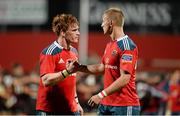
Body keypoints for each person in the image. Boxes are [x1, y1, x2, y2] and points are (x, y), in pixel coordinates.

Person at [72, 7, 141, 115]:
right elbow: (101, 68)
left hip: (124, 105)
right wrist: (79, 67)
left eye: (103, 21)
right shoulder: (110, 44)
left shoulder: (126, 46)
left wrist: (100, 95)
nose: (101, 24)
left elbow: (125, 78)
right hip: (106, 104)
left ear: (111, 23)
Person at [36, 13, 83, 115]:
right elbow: (46, 80)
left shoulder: (74, 52)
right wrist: (67, 72)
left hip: (69, 109)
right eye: (74, 30)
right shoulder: (50, 52)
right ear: (63, 32)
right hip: (49, 110)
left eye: (78, 30)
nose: (78, 33)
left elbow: (72, 81)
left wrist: (77, 102)